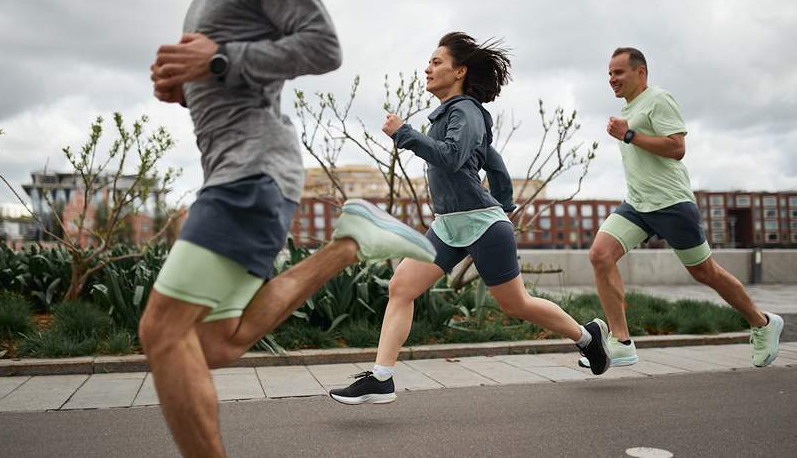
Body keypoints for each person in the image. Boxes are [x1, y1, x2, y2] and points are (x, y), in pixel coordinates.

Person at [140, 0, 436, 456]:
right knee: (215, 344)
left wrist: (219, 59)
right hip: (233, 170)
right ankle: (351, 241)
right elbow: (234, 75)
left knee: (161, 331)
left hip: (250, 172)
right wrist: (189, 85)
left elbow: (323, 46)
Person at [329, 32, 611, 406]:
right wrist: (507, 201)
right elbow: (494, 162)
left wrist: (405, 134)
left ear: (459, 71)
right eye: (429, 62)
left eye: (436, 62)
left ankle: (588, 337)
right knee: (401, 288)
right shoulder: (454, 113)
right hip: (448, 224)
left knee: (516, 304)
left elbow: (450, 156)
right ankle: (381, 379)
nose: (427, 68)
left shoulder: (466, 111)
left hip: (480, 223)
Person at [579, 47, 783, 369]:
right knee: (600, 255)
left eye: (618, 72)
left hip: (672, 203)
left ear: (640, 72)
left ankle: (762, 323)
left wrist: (629, 134)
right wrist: (627, 130)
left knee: (705, 272)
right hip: (637, 204)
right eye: (609, 73)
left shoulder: (658, 99)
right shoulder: (629, 108)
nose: (611, 79)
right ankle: (622, 342)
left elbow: (677, 148)